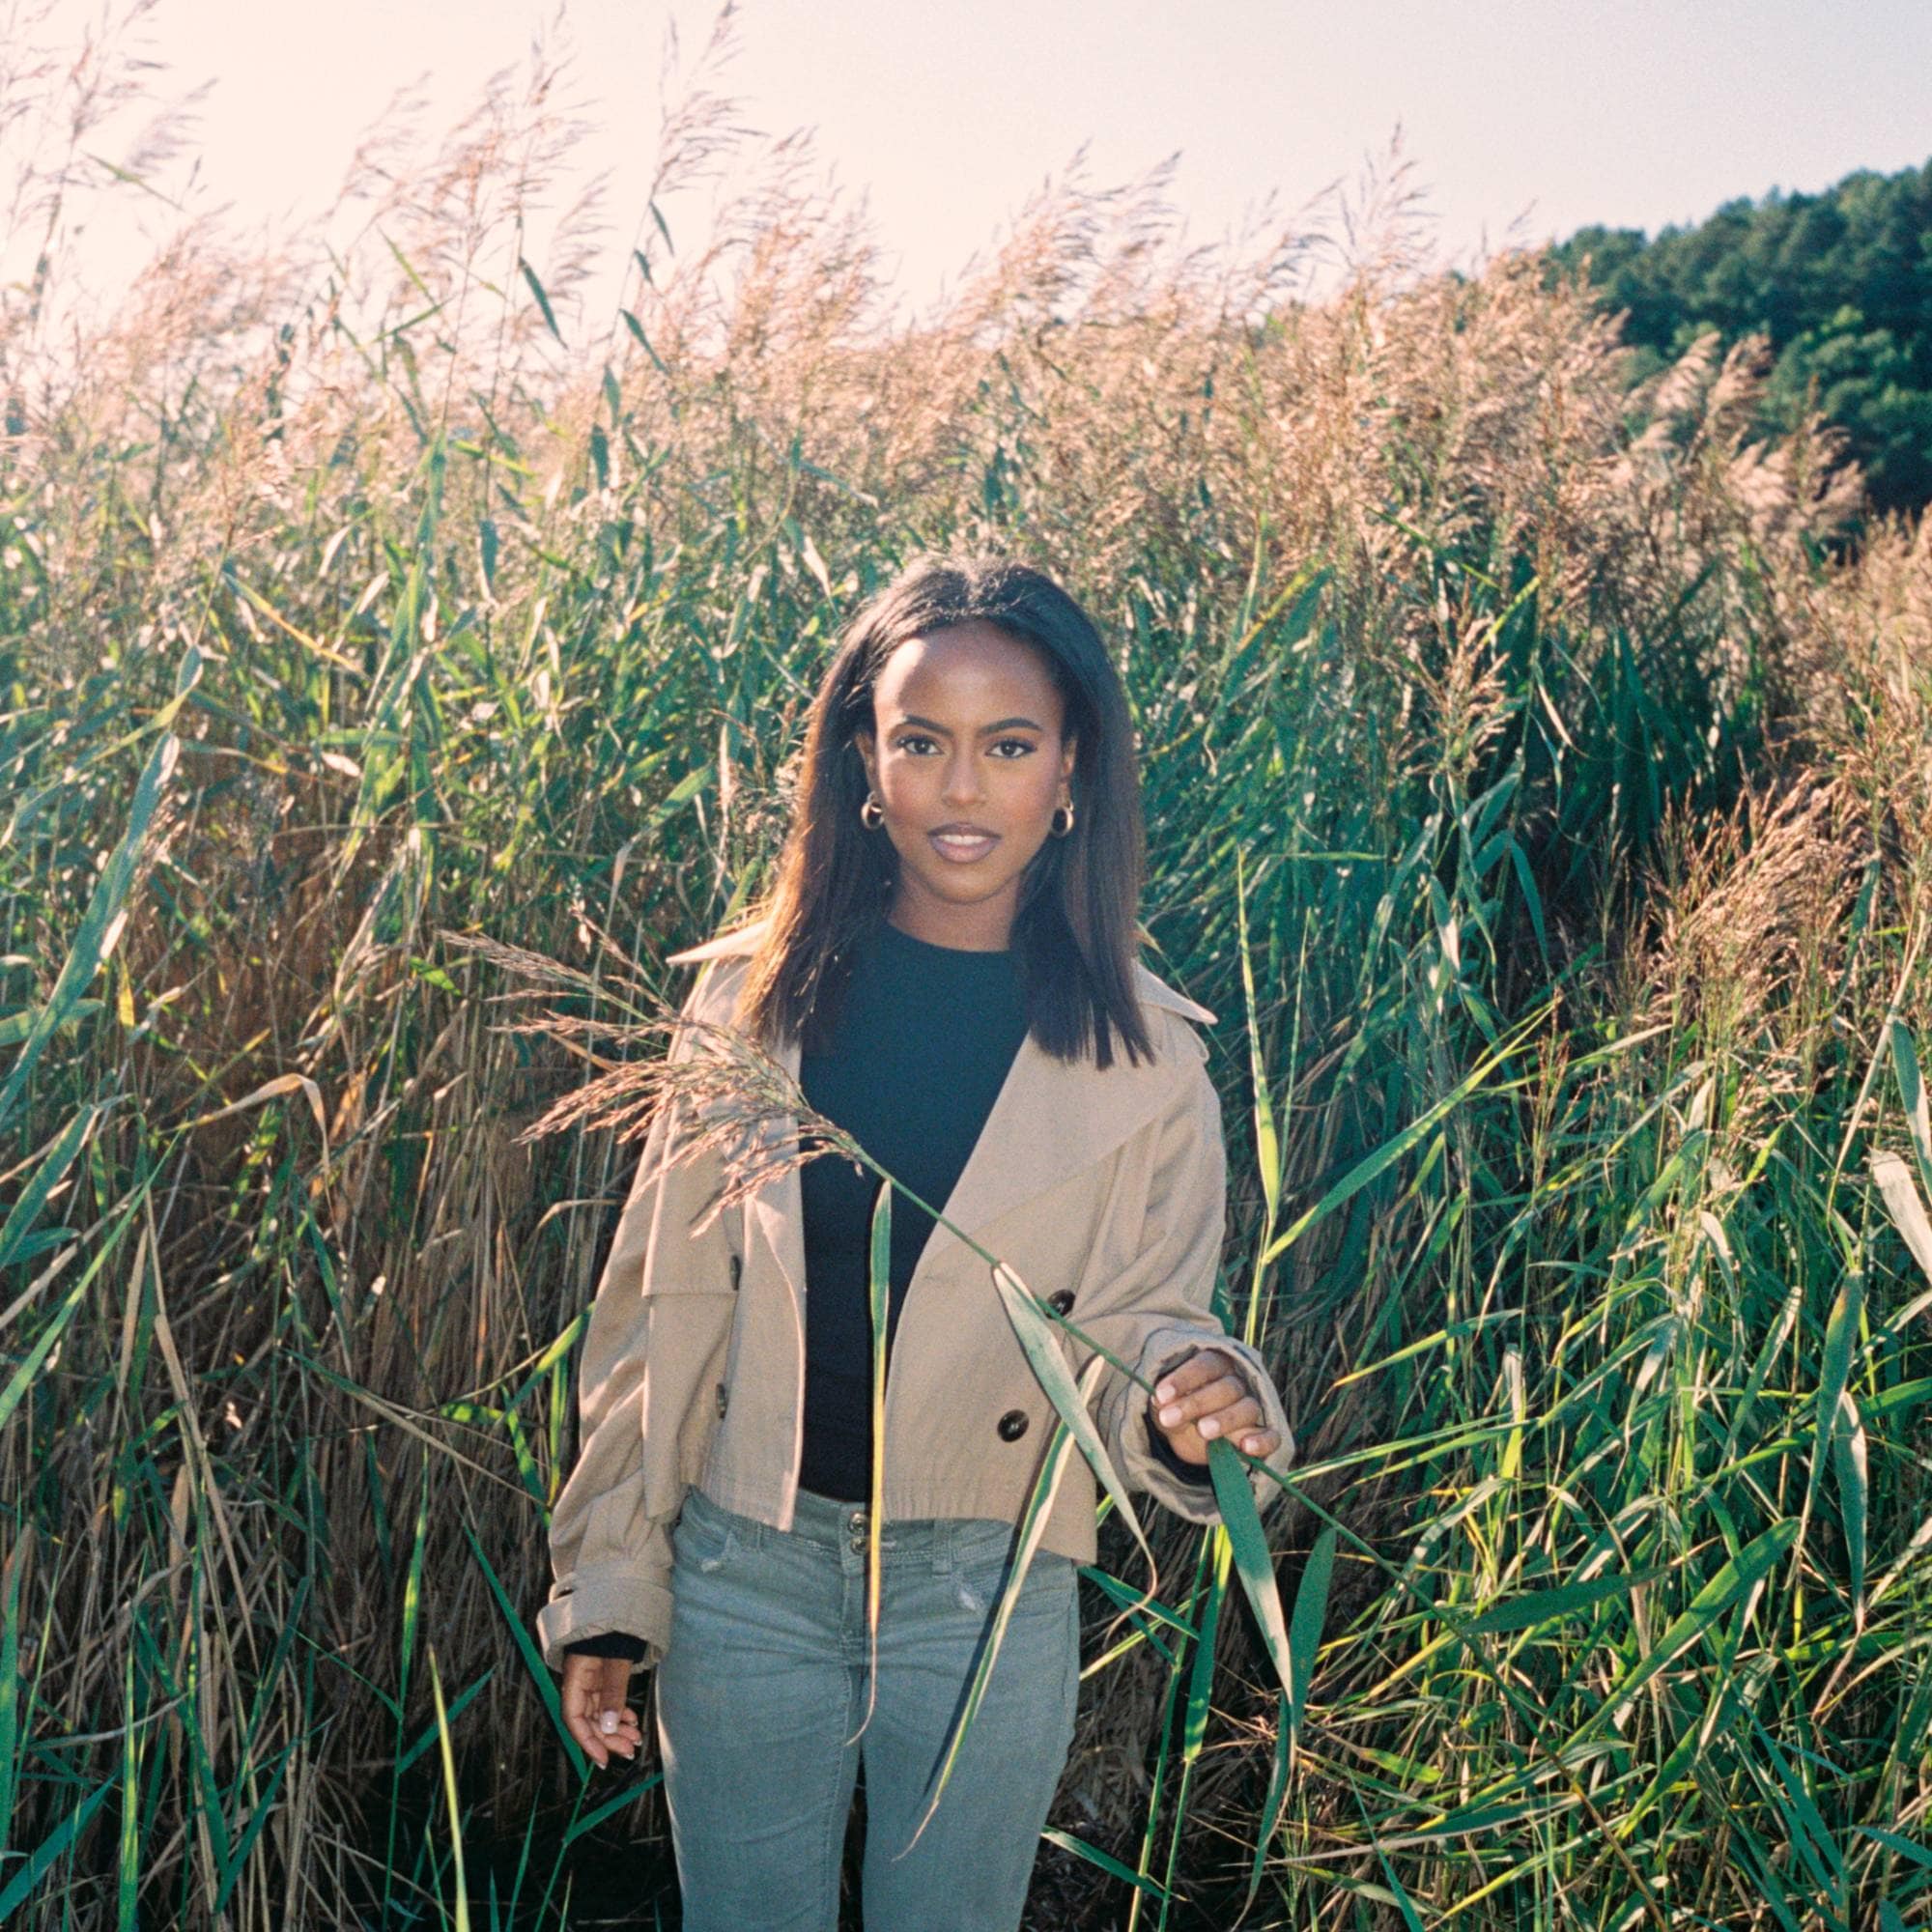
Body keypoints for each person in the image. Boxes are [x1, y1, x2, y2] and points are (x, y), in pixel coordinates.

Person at [534, 554, 1296, 1932]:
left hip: (984, 1589)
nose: (963, 786)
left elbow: (1142, 1327)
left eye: (1009, 746)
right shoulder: (746, 1006)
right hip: (744, 1571)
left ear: (1071, 772)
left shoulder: (1149, 1059)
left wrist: (1201, 1400)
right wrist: (609, 1588)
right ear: (863, 764)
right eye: (923, 742)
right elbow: (656, 1311)